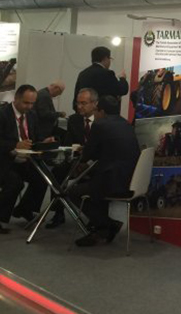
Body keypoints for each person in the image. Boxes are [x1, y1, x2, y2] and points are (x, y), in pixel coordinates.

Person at [0, 84, 49, 234]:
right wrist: (15, 145)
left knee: (44, 176)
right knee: (15, 183)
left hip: (22, 162)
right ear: (16, 98)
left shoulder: (32, 115)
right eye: (26, 103)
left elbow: (35, 138)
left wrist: (44, 142)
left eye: (32, 103)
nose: (29, 107)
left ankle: (24, 208)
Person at [71, 95, 140, 247]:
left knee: (72, 192)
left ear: (101, 111)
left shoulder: (100, 125)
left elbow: (87, 155)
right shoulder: (126, 124)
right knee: (94, 183)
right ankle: (101, 229)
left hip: (113, 182)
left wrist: (82, 152)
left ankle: (107, 225)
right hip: (131, 180)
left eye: (96, 110)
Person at [46, 88, 99, 229]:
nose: (79, 106)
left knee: (98, 176)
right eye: (78, 103)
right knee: (57, 173)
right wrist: (73, 158)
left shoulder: (102, 120)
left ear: (95, 103)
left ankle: (96, 218)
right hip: (76, 160)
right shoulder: (74, 120)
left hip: (95, 162)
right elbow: (68, 144)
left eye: (83, 103)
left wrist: (87, 161)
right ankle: (58, 212)